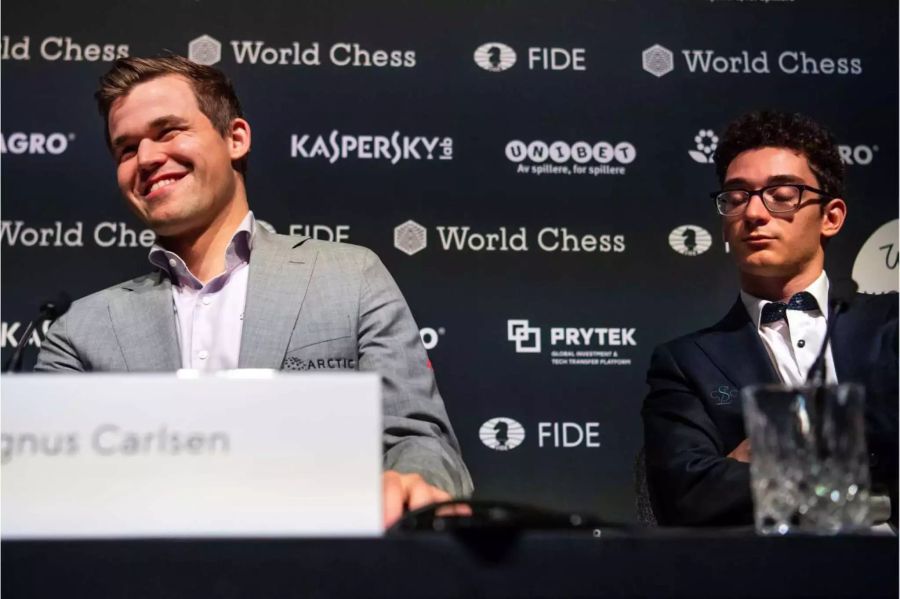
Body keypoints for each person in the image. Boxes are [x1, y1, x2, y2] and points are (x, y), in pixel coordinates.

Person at [34, 54, 473, 526]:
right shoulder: (78, 331)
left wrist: (409, 480)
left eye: (168, 131)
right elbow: (43, 486)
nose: (146, 158)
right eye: (125, 148)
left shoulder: (350, 276)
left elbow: (417, 438)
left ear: (235, 138)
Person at [641, 110, 898, 526]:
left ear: (830, 217)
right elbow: (685, 497)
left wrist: (765, 453)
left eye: (781, 195)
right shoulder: (685, 362)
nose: (754, 214)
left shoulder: (891, 325)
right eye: (737, 197)